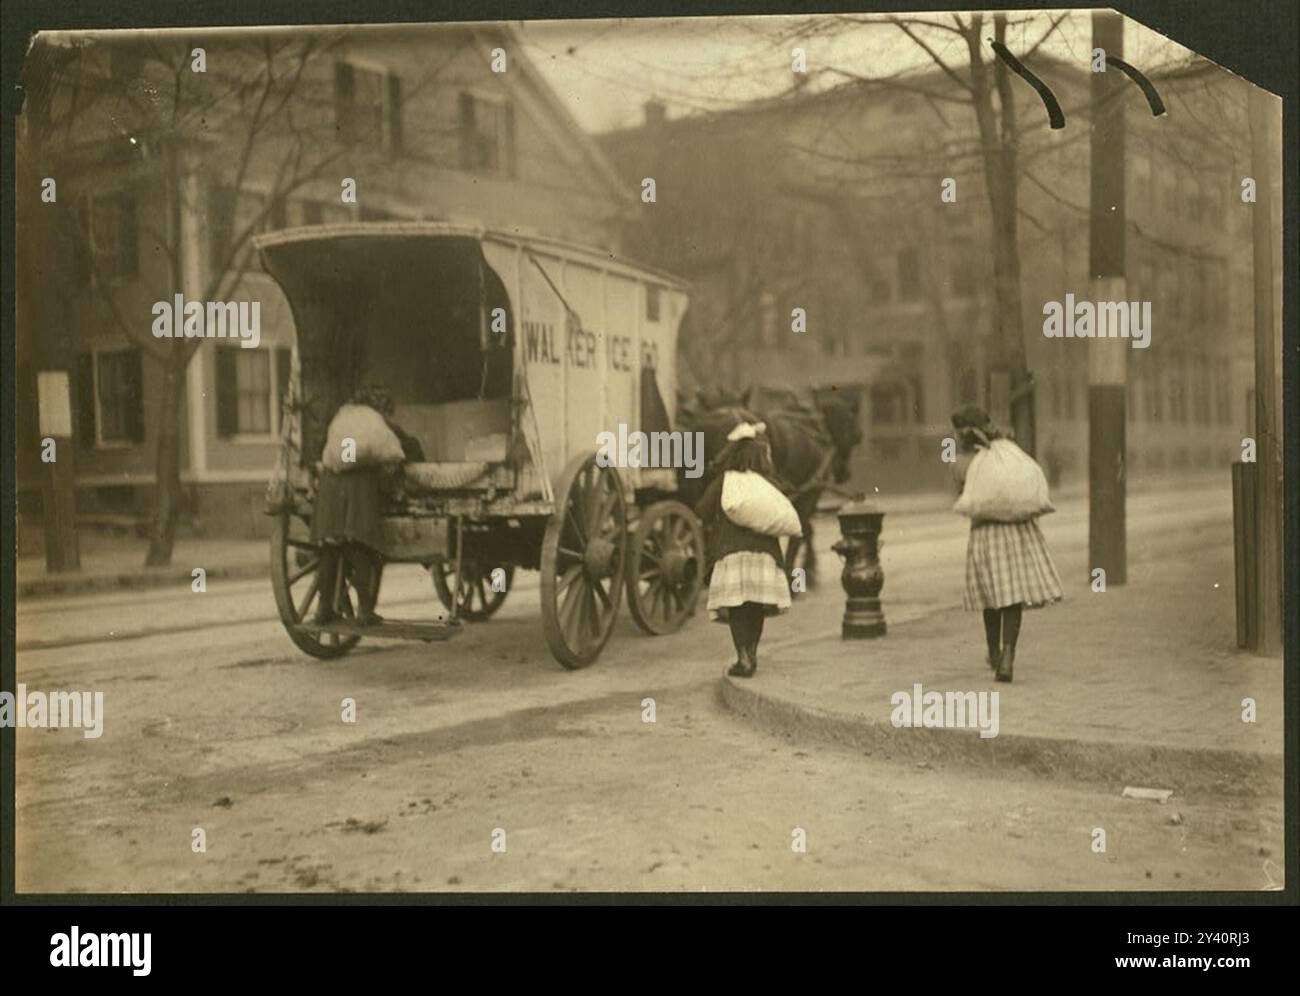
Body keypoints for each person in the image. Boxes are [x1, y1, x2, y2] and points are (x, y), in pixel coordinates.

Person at [951, 404, 1063, 682]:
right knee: (1012, 597)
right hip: (1016, 533)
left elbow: (963, 491)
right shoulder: (1010, 450)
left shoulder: (969, 460)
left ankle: (994, 651)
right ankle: (1009, 655)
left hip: (987, 534)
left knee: (992, 596)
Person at [311, 386, 424, 625]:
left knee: (330, 550)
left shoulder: (343, 416)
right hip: (358, 487)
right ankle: (364, 611)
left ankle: (323, 610)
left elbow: (325, 449)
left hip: (330, 486)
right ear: (380, 408)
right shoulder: (377, 423)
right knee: (361, 547)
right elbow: (405, 448)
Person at [693, 421, 792, 678]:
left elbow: (701, 511)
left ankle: (742, 658)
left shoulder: (725, 481)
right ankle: (753, 653)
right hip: (764, 557)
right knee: (755, 608)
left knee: (738, 608)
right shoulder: (769, 482)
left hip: (732, 555)